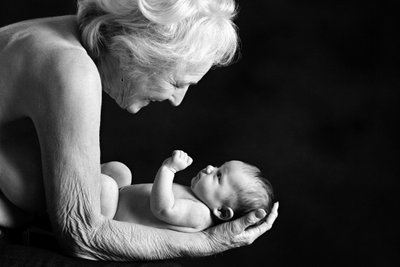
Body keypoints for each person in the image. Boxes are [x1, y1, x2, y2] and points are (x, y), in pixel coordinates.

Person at [0, 0, 278, 261]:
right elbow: (81, 234)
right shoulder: (71, 70)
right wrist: (209, 242)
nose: (177, 100)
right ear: (137, 51)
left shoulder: (62, 32)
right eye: (176, 82)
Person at [100, 150, 274, 233]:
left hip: (111, 217)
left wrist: (169, 169)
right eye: (218, 166)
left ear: (221, 211)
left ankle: (79, 186)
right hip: (118, 198)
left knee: (106, 186)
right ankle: (77, 176)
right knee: (120, 171)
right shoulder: (195, 197)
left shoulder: (199, 214)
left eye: (218, 176)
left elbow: (163, 209)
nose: (210, 168)